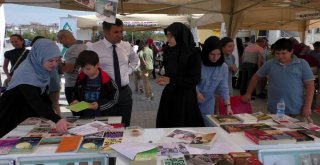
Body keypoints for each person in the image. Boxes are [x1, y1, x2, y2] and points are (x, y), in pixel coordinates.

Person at [0, 39, 70, 137]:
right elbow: (35, 100)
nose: (54, 64)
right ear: (38, 56)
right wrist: (56, 119)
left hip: (28, 114)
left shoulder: (40, 69)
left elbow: (43, 95)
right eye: (50, 60)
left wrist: (55, 116)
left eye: (57, 60)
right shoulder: (26, 73)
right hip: (12, 115)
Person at [242, 38, 314, 119]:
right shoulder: (270, 64)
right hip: (275, 110)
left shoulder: (302, 64)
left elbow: (310, 85)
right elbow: (256, 77)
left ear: (291, 51)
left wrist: (307, 106)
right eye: (277, 53)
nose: (280, 56)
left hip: (297, 110)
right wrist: (248, 93)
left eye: (284, 53)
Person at [88, 18, 139, 126]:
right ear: (106, 32)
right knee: (106, 126)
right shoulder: (94, 48)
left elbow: (135, 60)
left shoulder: (125, 46)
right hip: (105, 93)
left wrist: (128, 71)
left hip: (124, 92)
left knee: (124, 125)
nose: (120, 35)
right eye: (116, 32)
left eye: (121, 31)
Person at [156, 22, 204, 128]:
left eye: (170, 36)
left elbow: (194, 79)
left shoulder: (193, 53)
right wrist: (164, 79)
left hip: (185, 99)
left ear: (179, 35)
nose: (168, 39)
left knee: (183, 129)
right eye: (167, 35)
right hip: (169, 97)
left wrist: (171, 80)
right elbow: (170, 74)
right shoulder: (169, 51)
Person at [196, 36, 233, 126]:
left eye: (218, 54)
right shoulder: (198, 63)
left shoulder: (223, 67)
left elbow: (224, 87)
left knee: (207, 127)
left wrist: (228, 106)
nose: (215, 57)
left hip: (208, 103)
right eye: (212, 54)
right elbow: (190, 81)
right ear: (206, 52)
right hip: (192, 101)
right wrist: (196, 92)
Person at [71, 50, 119, 117]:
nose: (85, 71)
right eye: (82, 68)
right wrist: (75, 100)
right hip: (84, 116)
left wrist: (99, 105)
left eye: (88, 69)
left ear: (97, 65)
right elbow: (75, 92)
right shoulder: (80, 78)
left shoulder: (107, 80)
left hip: (103, 116)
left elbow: (114, 99)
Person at [57, 30, 87, 116]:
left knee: (77, 113)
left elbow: (68, 69)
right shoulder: (84, 46)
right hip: (84, 84)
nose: (61, 43)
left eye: (60, 41)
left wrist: (59, 61)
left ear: (64, 38)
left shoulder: (71, 50)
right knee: (84, 113)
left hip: (72, 86)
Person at [31, 36, 61, 116]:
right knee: (54, 104)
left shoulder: (38, 56)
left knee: (53, 104)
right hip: (52, 83)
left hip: (50, 84)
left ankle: (58, 121)